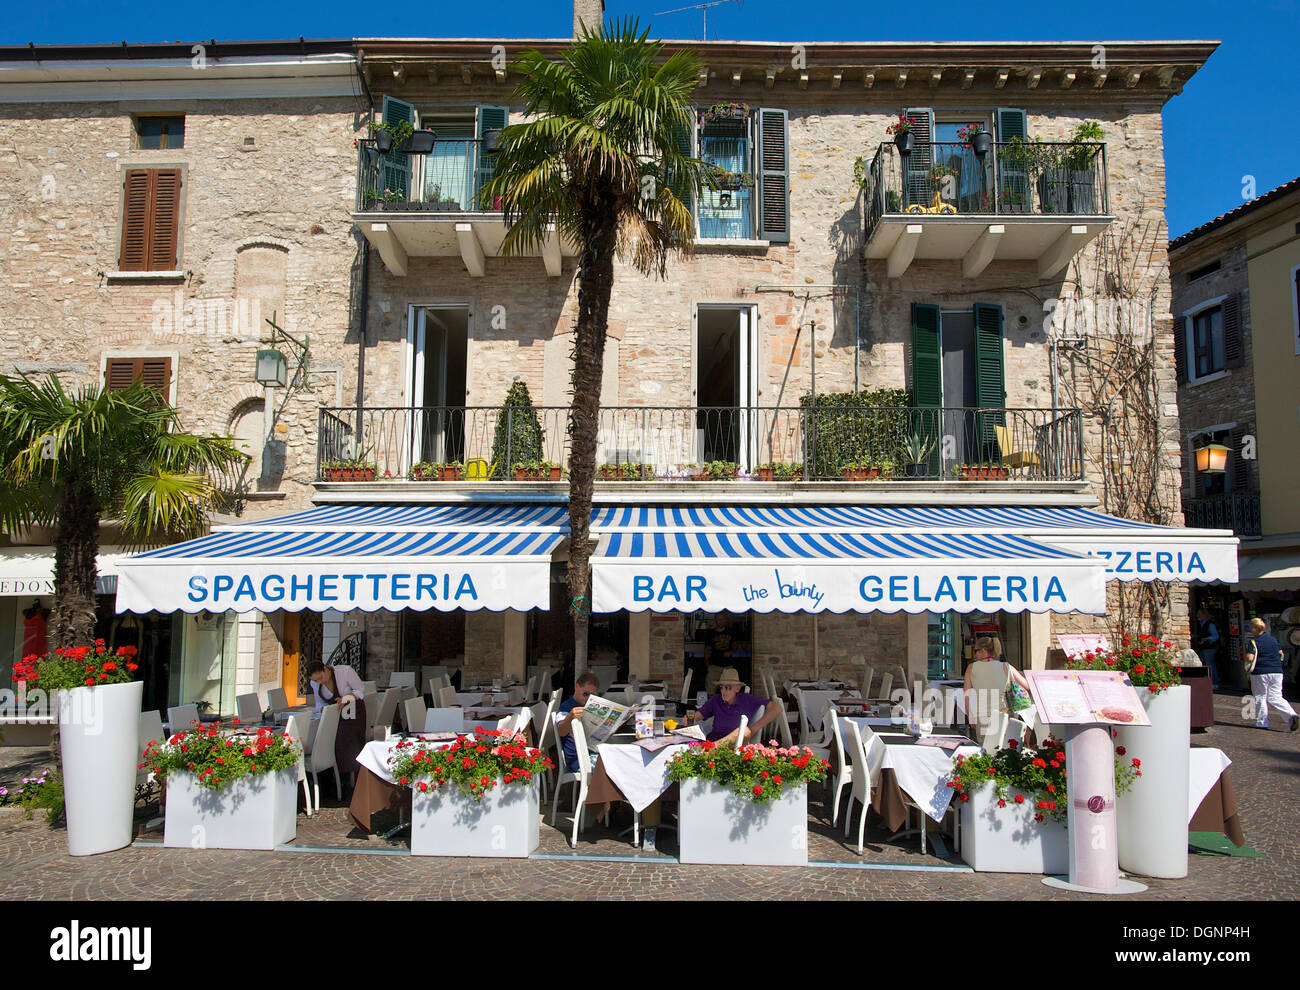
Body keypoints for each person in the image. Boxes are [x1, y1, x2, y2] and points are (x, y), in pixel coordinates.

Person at [555, 671, 609, 821]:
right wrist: (570, 716)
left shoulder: (591, 706)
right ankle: (607, 808)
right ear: (576, 687)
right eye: (585, 694)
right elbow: (560, 731)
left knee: (617, 761)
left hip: (592, 752)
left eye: (591, 696)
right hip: (577, 760)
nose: (587, 700)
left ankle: (615, 807)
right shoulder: (567, 707)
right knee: (610, 765)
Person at [963, 637, 1031, 750]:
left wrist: (970, 716)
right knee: (1004, 750)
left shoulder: (971, 668)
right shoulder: (1006, 667)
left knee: (986, 751)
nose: (974, 655)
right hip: (1003, 715)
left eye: (976, 651)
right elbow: (1027, 686)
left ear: (984, 651)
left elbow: (967, 694)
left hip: (982, 715)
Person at [308, 661, 368, 788]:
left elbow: (360, 690)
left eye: (320, 678)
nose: (320, 682)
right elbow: (319, 703)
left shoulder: (345, 672)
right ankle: (330, 779)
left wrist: (346, 699)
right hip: (335, 715)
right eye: (316, 680)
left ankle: (349, 779)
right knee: (326, 738)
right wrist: (322, 709)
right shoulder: (315, 683)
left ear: (325, 669)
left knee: (345, 741)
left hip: (354, 714)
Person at [686, 667, 783, 746]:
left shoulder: (747, 699)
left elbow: (777, 708)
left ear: (737, 688)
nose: (723, 691)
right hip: (711, 742)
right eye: (721, 687)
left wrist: (753, 729)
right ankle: (710, 749)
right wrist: (691, 718)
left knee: (741, 731)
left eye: (728, 687)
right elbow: (699, 715)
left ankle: (710, 750)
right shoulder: (716, 700)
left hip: (732, 746)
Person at [1244, 617, 1299, 732]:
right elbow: (1280, 654)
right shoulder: (1273, 640)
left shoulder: (1253, 642)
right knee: (1276, 697)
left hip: (1260, 671)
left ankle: (1262, 722)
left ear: (1254, 629)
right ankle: (1291, 715)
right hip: (1277, 671)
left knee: (1260, 696)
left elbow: (1250, 658)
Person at [703, 613, 737, 696]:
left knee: (729, 691)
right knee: (711, 691)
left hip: (728, 666)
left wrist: (731, 651)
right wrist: (707, 665)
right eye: (718, 619)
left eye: (722, 619)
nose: (720, 621)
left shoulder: (730, 632)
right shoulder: (710, 633)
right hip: (714, 665)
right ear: (715, 621)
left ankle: (727, 708)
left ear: (725, 620)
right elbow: (706, 650)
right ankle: (712, 707)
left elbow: (735, 646)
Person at [1195, 608, 1221, 689]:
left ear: (1204, 615)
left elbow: (1215, 636)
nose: (1198, 616)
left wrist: (1206, 639)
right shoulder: (1201, 624)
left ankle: (1215, 682)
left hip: (1209, 648)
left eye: (1199, 614)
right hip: (1203, 648)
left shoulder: (1210, 624)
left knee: (1210, 665)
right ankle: (1208, 682)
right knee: (1205, 665)